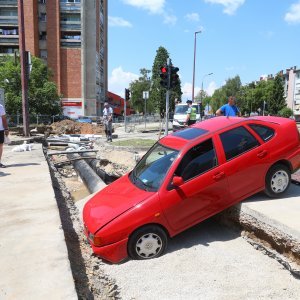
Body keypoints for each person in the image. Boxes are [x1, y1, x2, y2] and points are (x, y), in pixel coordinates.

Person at [0, 103, 9, 168]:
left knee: (0, 145)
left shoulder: (0, 106)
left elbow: (4, 119)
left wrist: (6, 128)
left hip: (0, 129)